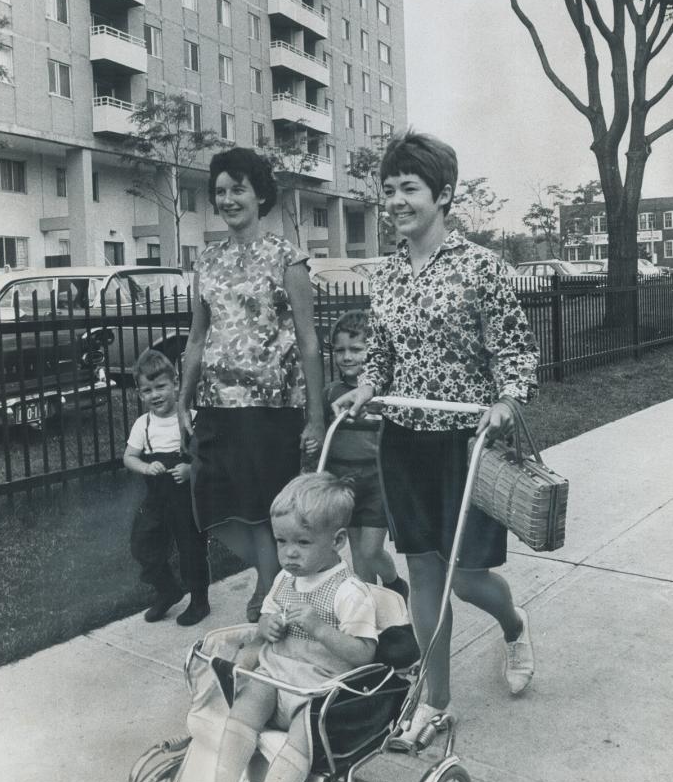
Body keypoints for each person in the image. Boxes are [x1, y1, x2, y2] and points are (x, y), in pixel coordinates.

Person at [333, 131, 539, 749]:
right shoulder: (389, 274)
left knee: (466, 574)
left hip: (464, 441)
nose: (395, 201)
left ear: (443, 195)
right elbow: (384, 357)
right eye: (388, 190)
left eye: (409, 189)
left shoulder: (483, 269)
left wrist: (506, 402)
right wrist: (366, 387)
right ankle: (437, 700)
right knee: (424, 573)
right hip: (405, 439)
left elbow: (516, 353)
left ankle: (513, 621)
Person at [178, 147, 325, 622]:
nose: (227, 199)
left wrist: (316, 417)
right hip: (216, 406)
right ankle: (271, 578)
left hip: (272, 406)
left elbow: (308, 342)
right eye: (220, 191)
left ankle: (268, 589)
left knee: (266, 510)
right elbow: (197, 337)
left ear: (260, 195)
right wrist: (183, 398)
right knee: (213, 509)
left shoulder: (287, 257)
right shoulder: (207, 260)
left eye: (237, 189)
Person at [194, 472, 377, 782]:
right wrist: (267, 626)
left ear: (338, 542)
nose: (289, 553)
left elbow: (364, 654)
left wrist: (321, 629)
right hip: (276, 680)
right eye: (281, 541)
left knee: (303, 740)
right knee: (244, 708)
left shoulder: (348, 593)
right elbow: (265, 615)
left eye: (303, 542)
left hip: (316, 694)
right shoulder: (284, 581)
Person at [324, 309, 408, 598]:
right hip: (344, 483)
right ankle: (371, 612)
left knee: (371, 550)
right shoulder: (331, 394)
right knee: (358, 555)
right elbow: (323, 436)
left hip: (376, 482)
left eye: (356, 349)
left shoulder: (385, 396)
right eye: (340, 350)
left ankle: (395, 582)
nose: (347, 357)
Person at [124, 348, 210, 626]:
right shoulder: (143, 424)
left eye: (161, 386)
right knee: (143, 544)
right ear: (140, 395)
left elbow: (208, 456)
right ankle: (167, 590)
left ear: (175, 385)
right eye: (147, 390)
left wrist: (190, 469)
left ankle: (199, 600)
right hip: (157, 497)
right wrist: (146, 467)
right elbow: (129, 457)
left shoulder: (190, 418)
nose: (155, 395)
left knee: (191, 549)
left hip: (186, 498)